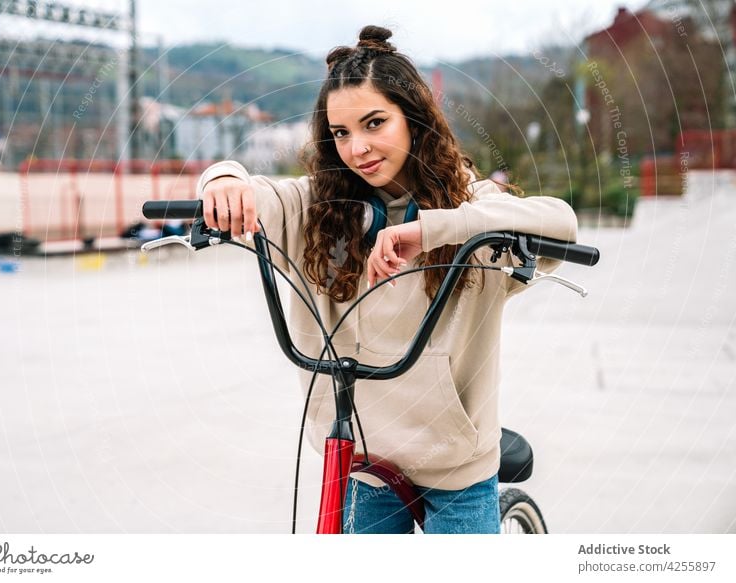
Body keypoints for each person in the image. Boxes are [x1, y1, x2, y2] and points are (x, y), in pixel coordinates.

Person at [196, 25, 577, 534]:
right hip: (365, 457)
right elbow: (260, 195)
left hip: (455, 461)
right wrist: (223, 179)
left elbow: (560, 222)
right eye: (342, 133)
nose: (358, 148)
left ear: (413, 121)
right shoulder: (319, 209)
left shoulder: (471, 203)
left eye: (375, 123)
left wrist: (436, 228)